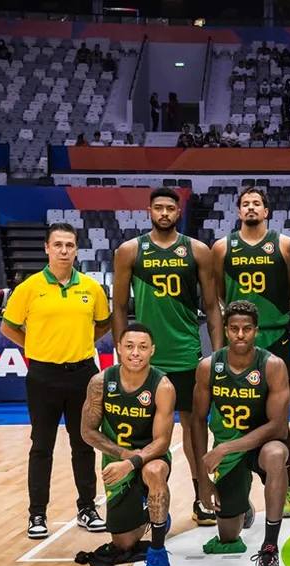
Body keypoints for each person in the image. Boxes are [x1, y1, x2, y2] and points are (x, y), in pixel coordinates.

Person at [112, 187, 223, 526]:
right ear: (149, 211)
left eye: (169, 209)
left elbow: (211, 307)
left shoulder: (197, 251)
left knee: (194, 429)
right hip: (145, 360)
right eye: (158, 208)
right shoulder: (130, 251)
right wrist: (123, 351)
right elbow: (118, 306)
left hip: (186, 354)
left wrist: (216, 355)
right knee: (144, 432)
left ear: (178, 212)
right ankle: (144, 501)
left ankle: (201, 496)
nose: (164, 213)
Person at [0, 223, 111, 538]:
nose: (64, 250)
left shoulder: (91, 288)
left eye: (70, 245)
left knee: (84, 443)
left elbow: (102, 325)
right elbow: (8, 328)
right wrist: (35, 345)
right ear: (47, 248)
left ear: (77, 249)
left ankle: (87, 508)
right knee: (41, 446)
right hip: (43, 376)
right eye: (58, 244)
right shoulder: (29, 288)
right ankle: (37, 515)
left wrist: (80, 340)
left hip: (83, 374)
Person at [190, 301, 290, 566]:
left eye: (247, 329)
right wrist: (203, 480)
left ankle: (270, 546)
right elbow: (197, 421)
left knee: (276, 454)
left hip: (258, 446)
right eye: (234, 329)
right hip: (227, 453)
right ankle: (243, 506)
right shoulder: (209, 367)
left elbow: (279, 427)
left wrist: (226, 448)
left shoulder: (272, 365)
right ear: (225, 330)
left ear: (256, 331)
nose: (240, 335)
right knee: (228, 535)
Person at [212, 187, 290, 517]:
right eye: (245, 204)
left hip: (274, 333)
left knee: (278, 416)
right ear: (238, 211)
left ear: (266, 211)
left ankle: (285, 485)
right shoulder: (222, 247)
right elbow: (221, 293)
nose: (251, 208)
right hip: (239, 339)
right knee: (233, 411)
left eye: (256, 204)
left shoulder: (285, 245)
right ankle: (236, 488)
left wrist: (273, 313)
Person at [79, 323, 175, 566]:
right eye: (130, 346)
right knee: (123, 544)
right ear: (119, 348)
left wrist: (132, 462)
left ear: (152, 351)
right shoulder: (100, 382)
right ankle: (154, 514)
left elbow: (162, 442)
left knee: (154, 472)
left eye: (143, 347)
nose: (136, 353)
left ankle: (157, 550)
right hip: (117, 460)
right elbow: (87, 431)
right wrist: (122, 456)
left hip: (150, 458)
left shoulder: (162, 386)